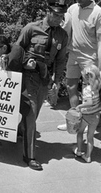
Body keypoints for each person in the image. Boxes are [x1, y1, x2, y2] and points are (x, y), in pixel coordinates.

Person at [16, 1, 68, 170]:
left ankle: (20, 130)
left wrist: (57, 81)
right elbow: (17, 50)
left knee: (34, 113)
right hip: (29, 77)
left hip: (45, 78)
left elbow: (60, 60)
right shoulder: (31, 28)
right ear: (48, 12)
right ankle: (29, 156)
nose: (59, 19)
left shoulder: (62, 35)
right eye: (56, 15)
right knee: (30, 114)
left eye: (61, 16)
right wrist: (25, 62)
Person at [57, 0, 101, 131]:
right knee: (71, 86)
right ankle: (74, 119)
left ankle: (88, 123)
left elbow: (100, 41)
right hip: (73, 55)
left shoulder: (98, 12)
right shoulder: (72, 8)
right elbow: (65, 31)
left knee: (89, 93)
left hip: (90, 59)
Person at [73, 64, 101, 163]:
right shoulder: (98, 86)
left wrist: (79, 106)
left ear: (87, 77)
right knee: (90, 136)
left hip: (86, 115)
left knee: (80, 132)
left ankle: (79, 151)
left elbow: (89, 102)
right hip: (96, 115)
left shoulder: (87, 89)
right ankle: (88, 156)